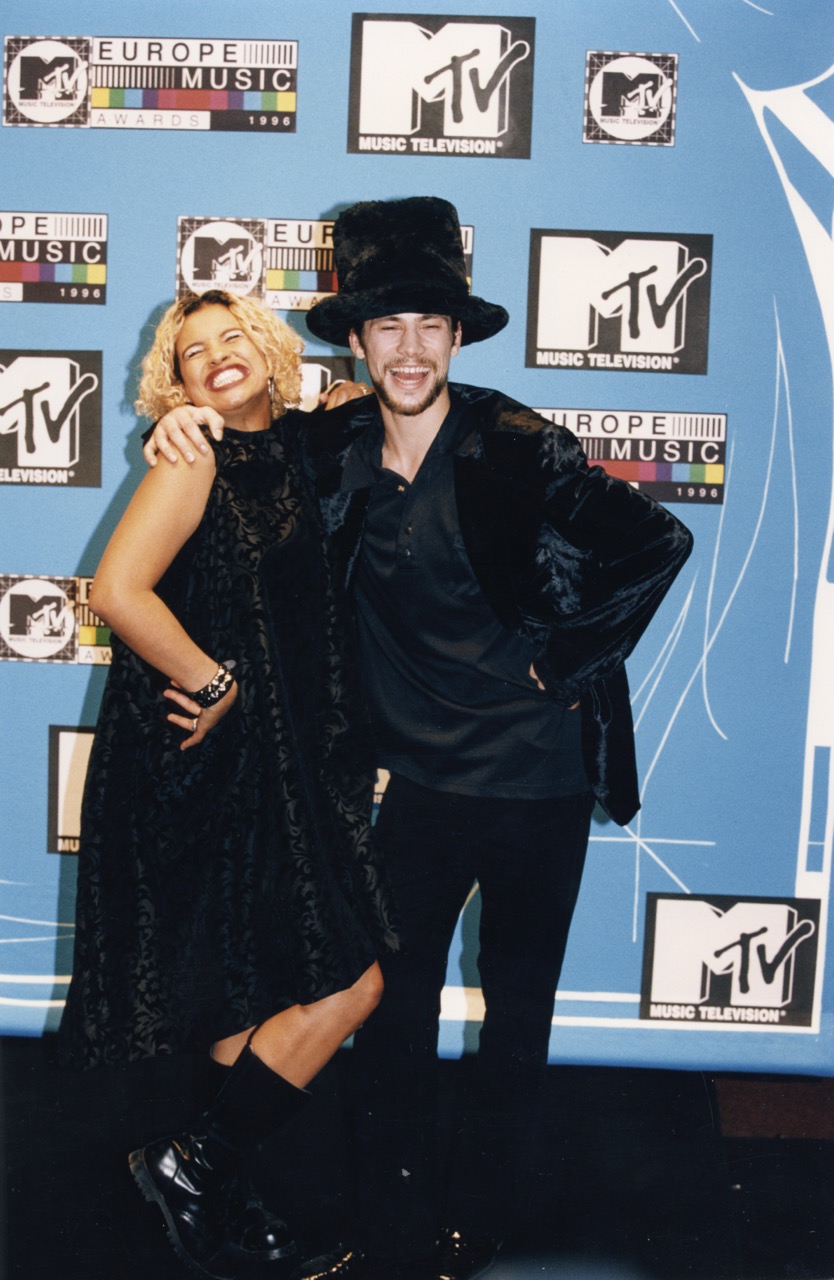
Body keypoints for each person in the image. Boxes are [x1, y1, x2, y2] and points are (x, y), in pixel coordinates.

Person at [145, 197, 694, 1280]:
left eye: (429, 325)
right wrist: (184, 421)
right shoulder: (332, 445)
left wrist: (561, 660)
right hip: (419, 791)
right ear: (354, 338)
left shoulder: (519, 444)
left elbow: (657, 538)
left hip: (537, 785)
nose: (408, 347)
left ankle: (479, 1217)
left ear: (456, 335)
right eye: (386, 325)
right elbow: (247, 483)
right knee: (390, 1017)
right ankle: (389, 1216)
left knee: (516, 1013)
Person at [58, 288, 398, 1280]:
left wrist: (337, 393)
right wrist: (213, 680)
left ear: (268, 346)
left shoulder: (305, 436)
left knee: (254, 997)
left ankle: (220, 1194)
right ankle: (195, 1163)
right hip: (205, 761)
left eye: (233, 336)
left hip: (287, 762)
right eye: (194, 351)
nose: (217, 357)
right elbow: (117, 590)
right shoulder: (191, 452)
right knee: (350, 980)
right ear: (178, 380)